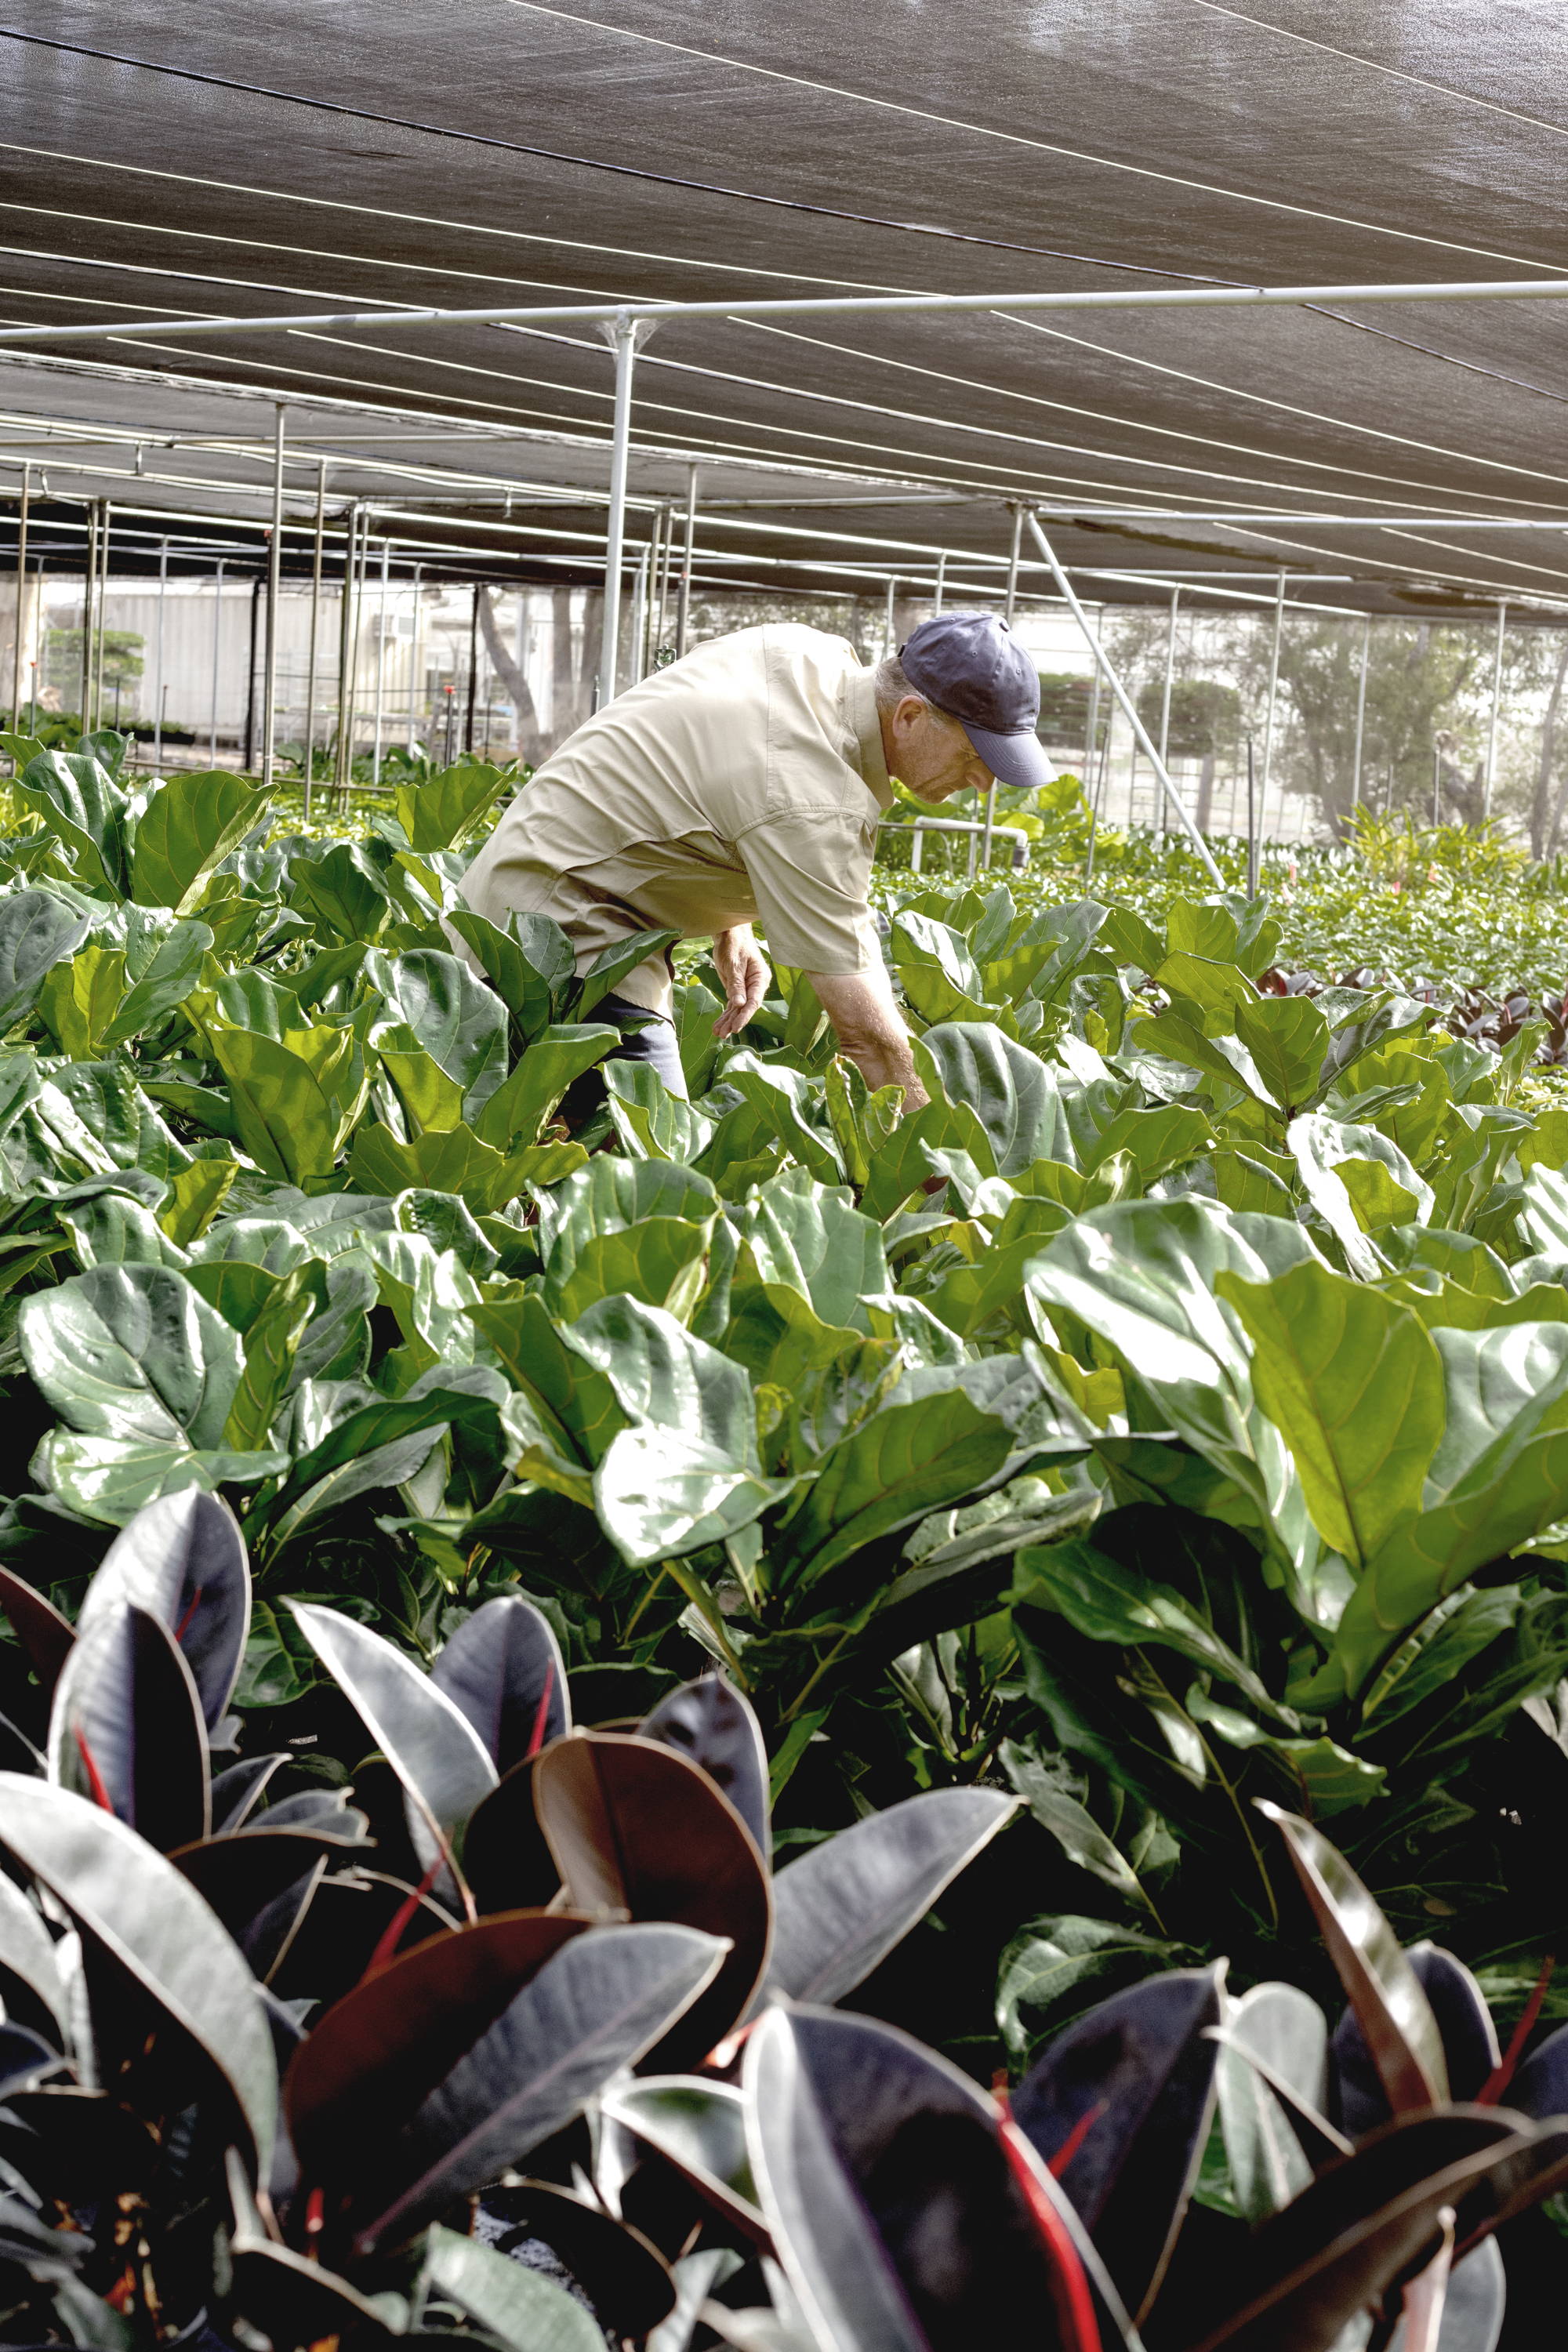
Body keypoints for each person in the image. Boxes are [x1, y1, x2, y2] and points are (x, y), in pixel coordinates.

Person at [456, 610, 1056, 1112]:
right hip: (554, 928)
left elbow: (702, 756)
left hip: (545, 880)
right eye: (977, 755)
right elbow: (868, 1038)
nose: (983, 784)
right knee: (653, 1192)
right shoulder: (811, 797)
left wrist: (731, 916)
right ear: (909, 717)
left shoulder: (806, 653)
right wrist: (944, 1175)